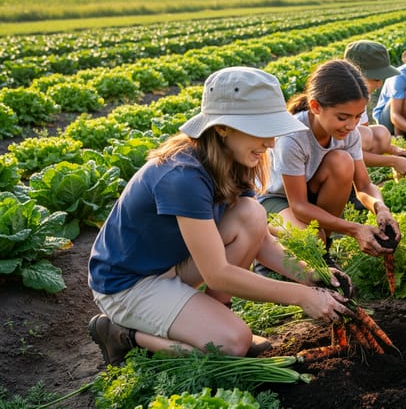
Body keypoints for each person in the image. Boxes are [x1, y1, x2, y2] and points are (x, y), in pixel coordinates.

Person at [87, 66, 352, 366]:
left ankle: (212, 316)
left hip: (172, 266)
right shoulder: (182, 176)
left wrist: (310, 275)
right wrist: (301, 296)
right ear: (223, 127)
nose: (272, 143)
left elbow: (261, 241)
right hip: (129, 284)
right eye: (262, 130)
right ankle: (121, 334)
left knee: (253, 214)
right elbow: (216, 273)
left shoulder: (234, 160)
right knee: (232, 345)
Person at [260, 59, 401, 257]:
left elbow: (364, 185)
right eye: (342, 117)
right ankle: (266, 242)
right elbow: (299, 206)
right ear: (316, 107)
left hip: (309, 193)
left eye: (358, 116)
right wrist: (353, 229)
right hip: (276, 199)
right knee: (312, 240)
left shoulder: (349, 132)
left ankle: (323, 246)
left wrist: (381, 208)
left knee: (342, 162)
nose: (351, 125)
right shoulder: (293, 137)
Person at [343, 40, 406, 177]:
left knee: (380, 133)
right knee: (365, 135)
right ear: (355, 75)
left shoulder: (360, 97)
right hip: (326, 161)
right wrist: (392, 161)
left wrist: (394, 150)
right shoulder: (340, 103)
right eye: (376, 79)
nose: (380, 84)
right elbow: (349, 150)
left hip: (344, 152)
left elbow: (361, 141)